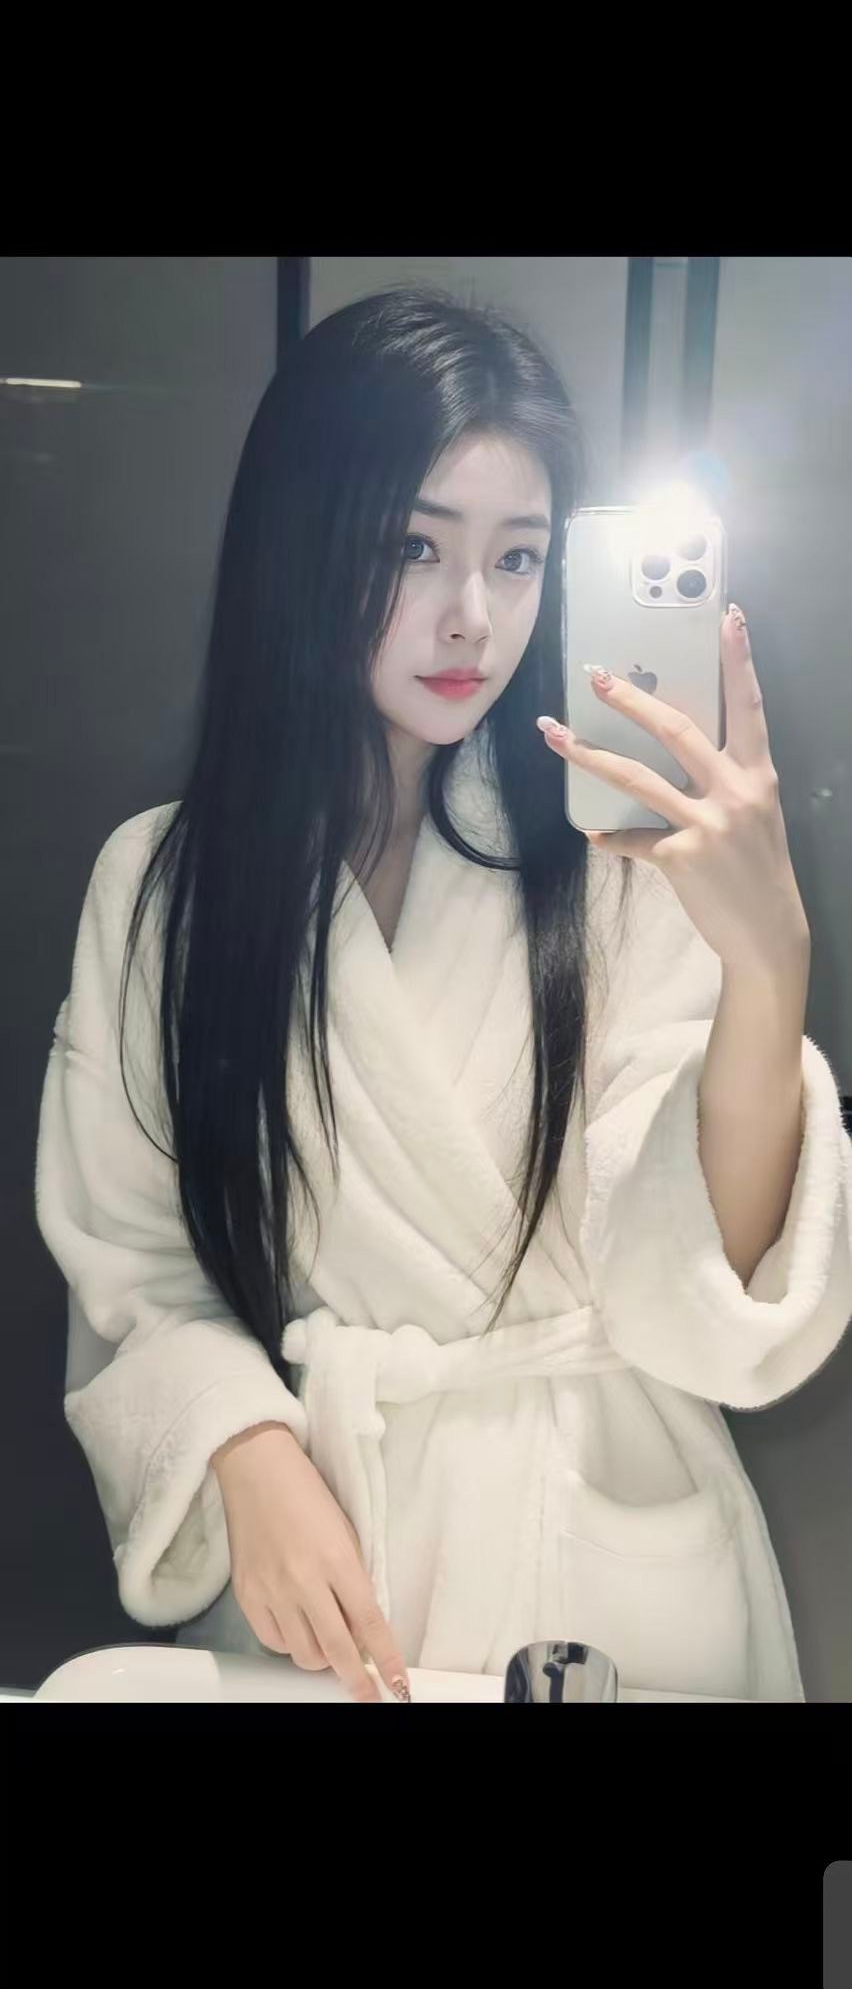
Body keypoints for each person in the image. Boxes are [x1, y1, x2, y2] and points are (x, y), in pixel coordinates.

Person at [34, 287, 852, 1705]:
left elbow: (701, 1292)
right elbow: (134, 1262)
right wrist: (242, 1446)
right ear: (305, 538)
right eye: (413, 547)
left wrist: (767, 969)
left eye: (519, 557)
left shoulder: (622, 862)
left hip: (608, 1570)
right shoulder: (165, 886)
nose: (473, 615)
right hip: (326, 1567)